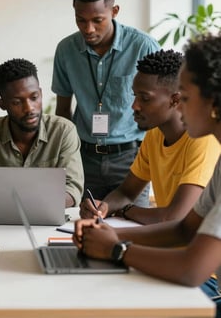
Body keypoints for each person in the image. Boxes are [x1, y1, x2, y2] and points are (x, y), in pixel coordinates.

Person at [73, 33, 221, 317]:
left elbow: (191, 269)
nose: (180, 106)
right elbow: (184, 229)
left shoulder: (207, 147)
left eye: (186, 98)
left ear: (213, 102)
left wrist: (117, 249)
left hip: (208, 292)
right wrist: (107, 234)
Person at [51, 0, 160, 205]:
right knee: (78, 228)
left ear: (114, 11)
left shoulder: (143, 47)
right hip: (83, 159)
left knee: (130, 229)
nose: (88, 29)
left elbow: (161, 107)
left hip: (132, 160)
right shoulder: (66, 50)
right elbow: (62, 111)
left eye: (97, 20)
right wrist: (65, 159)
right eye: (81, 20)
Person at [80, 49, 220, 224]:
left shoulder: (203, 141)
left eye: (145, 98)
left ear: (175, 100)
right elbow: (126, 192)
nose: (134, 106)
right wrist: (104, 206)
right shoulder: (154, 135)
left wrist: (125, 210)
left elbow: (174, 217)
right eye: (135, 95)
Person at [0, 58, 84, 209]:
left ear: (40, 93)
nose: (29, 108)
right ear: (2, 104)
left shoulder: (63, 131)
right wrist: (11, 205)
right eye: (17, 102)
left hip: (46, 223)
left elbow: (72, 189)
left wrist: (20, 204)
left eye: (34, 98)